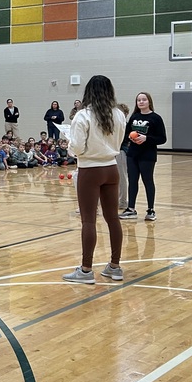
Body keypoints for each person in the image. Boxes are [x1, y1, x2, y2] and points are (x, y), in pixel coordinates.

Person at [62, 75, 126, 284]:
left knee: (88, 220)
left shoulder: (83, 115)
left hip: (90, 170)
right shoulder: (119, 114)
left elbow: (77, 148)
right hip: (111, 168)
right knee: (113, 218)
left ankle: (86, 270)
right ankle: (115, 267)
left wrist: (70, 147)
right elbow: (120, 141)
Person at [120, 93, 167, 222]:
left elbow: (162, 138)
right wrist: (130, 137)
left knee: (148, 181)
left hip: (147, 155)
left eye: (144, 100)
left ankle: (151, 210)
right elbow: (127, 133)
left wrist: (146, 138)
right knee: (132, 181)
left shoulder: (156, 118)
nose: (141, 102)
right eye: (139, 100)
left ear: (149, 101)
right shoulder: (134, 116)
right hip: (132, 154)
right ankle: (131, 209)